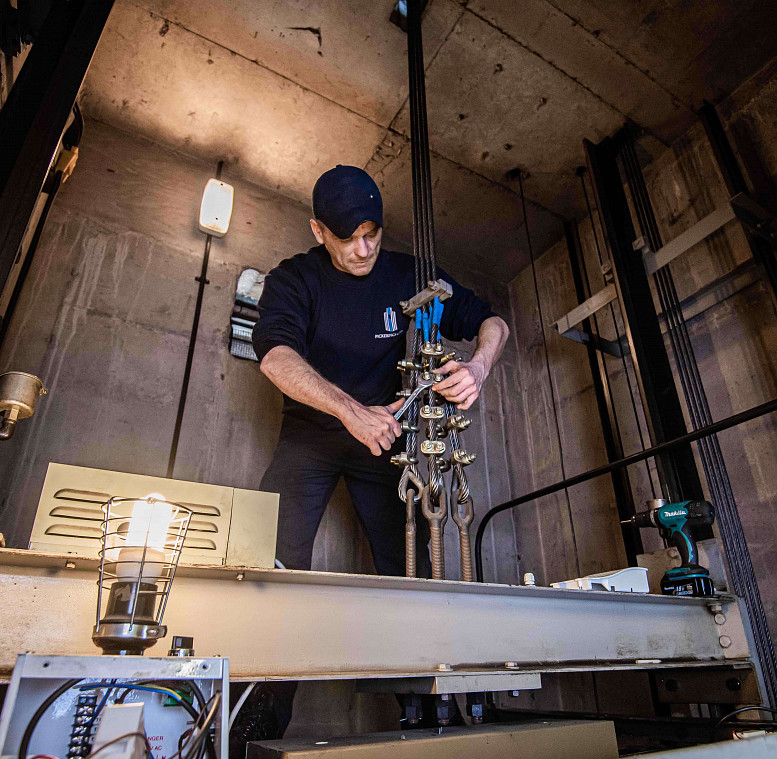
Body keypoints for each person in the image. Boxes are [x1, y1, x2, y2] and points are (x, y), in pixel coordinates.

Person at [252, 164, 510, 578]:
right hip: (309, 435)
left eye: (371, 234)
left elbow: (492, 323)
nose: (363, 250)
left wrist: (478, 368)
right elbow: (274, 355)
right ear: (318, 231)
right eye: (347, 238)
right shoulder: (293, 279)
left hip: (383, 434)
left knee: (409, 563)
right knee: (266, 553)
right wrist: (350, 411)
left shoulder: (408, 274)